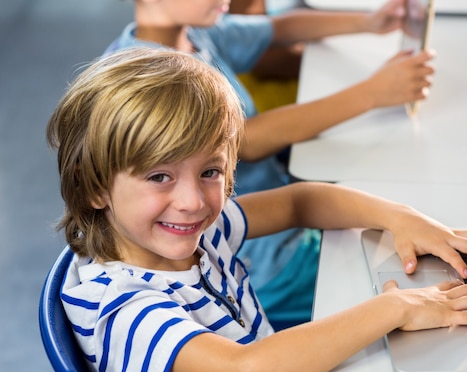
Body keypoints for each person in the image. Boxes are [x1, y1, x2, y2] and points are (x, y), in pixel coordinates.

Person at [47, 48, 467, 372]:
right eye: (159, 177)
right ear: (95, 185)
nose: (193, 201)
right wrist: (395, 307)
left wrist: (400, 217)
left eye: (210, 171)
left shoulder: (193, 234)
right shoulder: (121, 308)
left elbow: (297, 202)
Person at [102, 0, 436, 330]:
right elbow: (244, 141)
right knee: (411, 283)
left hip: (280, 224)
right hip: (263, 259)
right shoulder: (146, 74)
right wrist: (373, 93)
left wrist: (370, 22)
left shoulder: (195, 34)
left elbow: (282, 27)